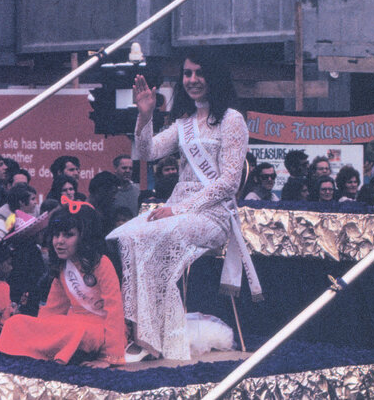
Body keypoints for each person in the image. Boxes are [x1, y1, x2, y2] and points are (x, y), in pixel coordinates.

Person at [106, 52, 261, 361]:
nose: (192, 80)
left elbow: (229, 182)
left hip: (213, 215)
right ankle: (144, 330)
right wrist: (145, 115)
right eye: (187, 74)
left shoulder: (232, 119)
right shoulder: (184, 123)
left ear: (214, 76)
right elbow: (148, 151)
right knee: (125, 235)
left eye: (199, 73)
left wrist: (178, 210)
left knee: (156, 235)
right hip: (177, 210)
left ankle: (153, 339)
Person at [0, 198, 126, 366]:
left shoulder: (102, 264)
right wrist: (40, 331)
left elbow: (114, 312)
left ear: (84, 236)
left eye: (68, 235)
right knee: (16, 322)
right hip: (71, 325)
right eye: (56, 235)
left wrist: (109, 358)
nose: (59, 241)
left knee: (76, 330)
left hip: (98, 329)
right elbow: (52, 311)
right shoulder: (63, 267)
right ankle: (51, 351)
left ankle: (58, 351)